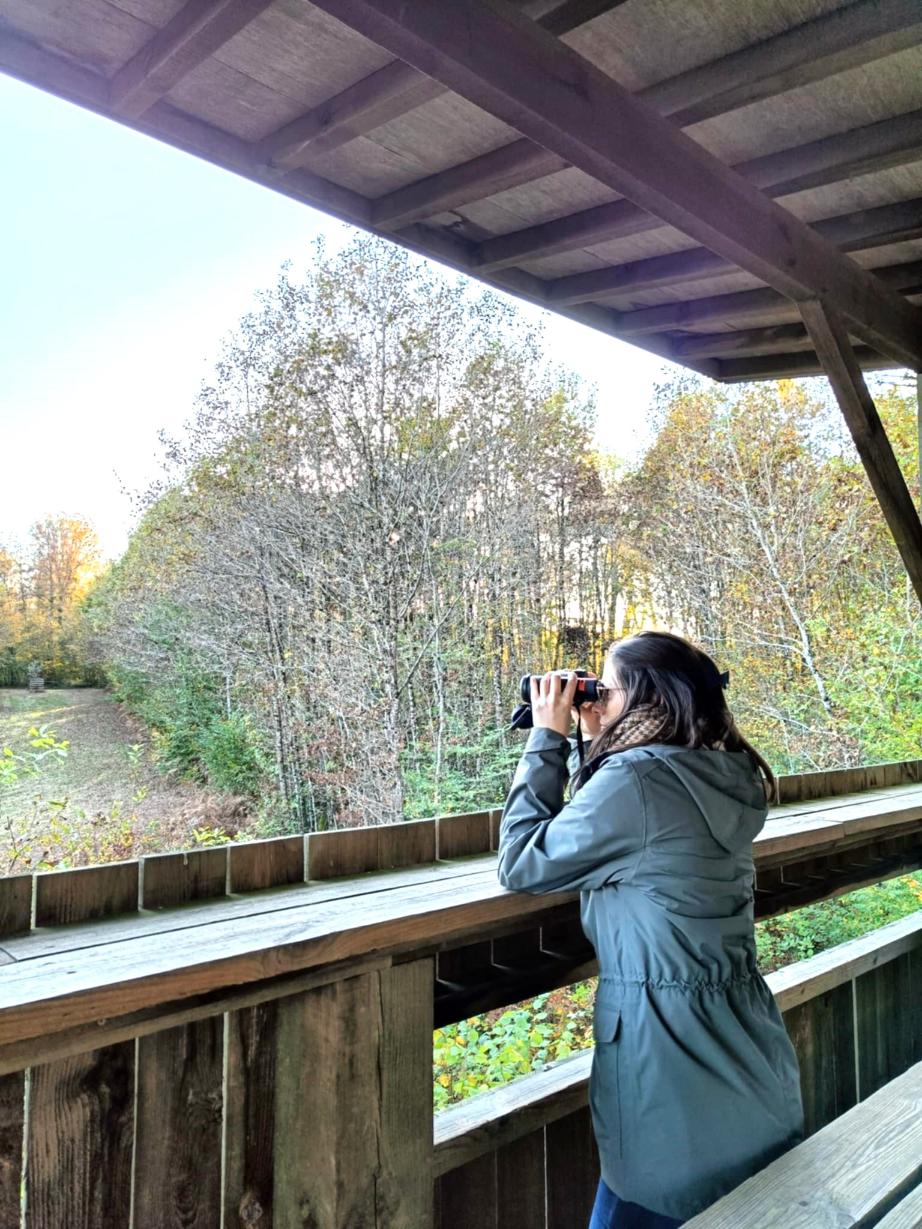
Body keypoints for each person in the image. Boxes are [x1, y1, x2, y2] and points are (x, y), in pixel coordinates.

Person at [497, 631, 804, 1228]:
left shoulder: (637, 782)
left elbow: (520, 863)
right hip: (746, 1049)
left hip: (666, 1061)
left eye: (606, 689)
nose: (596, 698)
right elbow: (623, 836)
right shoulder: (721, 770)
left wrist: (548, 738)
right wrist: (597, 740)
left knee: (640, 1208)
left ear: (646, 699)